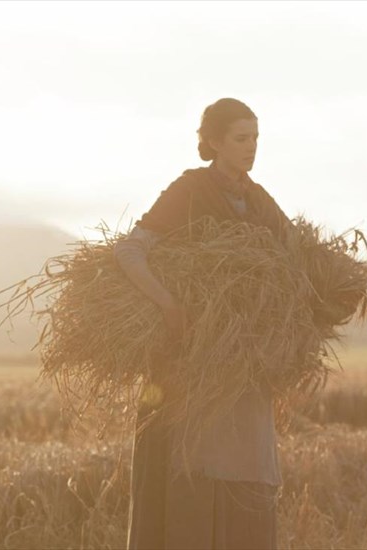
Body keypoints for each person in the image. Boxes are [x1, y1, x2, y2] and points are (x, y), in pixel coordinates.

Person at [114, 98, 292, 550]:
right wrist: (170, 305)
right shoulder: (190, 190)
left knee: (245, 470)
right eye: (241, 138)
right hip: (189, 367)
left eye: (256, 138)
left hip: (242, 368)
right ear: (213, 142)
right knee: (191, 471)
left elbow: (298, 256)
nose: (252, 148)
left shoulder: (258, 200)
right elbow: (130, 250)